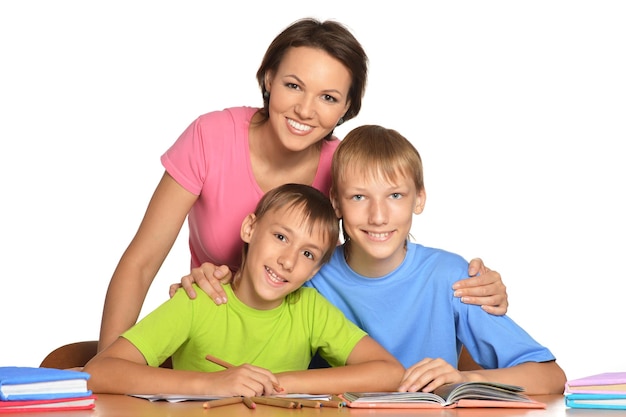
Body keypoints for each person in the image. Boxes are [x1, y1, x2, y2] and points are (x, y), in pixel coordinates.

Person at [99, 17, 507, 353]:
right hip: (214, 322)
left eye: (328, 97)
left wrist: (467, 286)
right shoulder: (211, 137)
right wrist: (108, 368)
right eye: (293, 85)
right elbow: (141, 262)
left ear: (347, 108)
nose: (305, 110)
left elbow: (379, 246)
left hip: (296, 342)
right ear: (268, 78)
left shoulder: (342, 165)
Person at [313, 125, 567, 394]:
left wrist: (466, 379)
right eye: (359, 197)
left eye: (395, 195)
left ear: (419, 199)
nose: (378, 216)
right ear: (337, 203)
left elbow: (551, 377)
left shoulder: (449, 277)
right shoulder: (312, 277)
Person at [84, 184, 404, 396]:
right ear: (250, 228)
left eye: (308, 254)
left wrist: (276, 382)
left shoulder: (309, 308)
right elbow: (99, 372)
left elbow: (389, 373)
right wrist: (213, 384)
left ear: (317, 268)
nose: (288, 261)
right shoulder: (200, 299)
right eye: (280, 237)